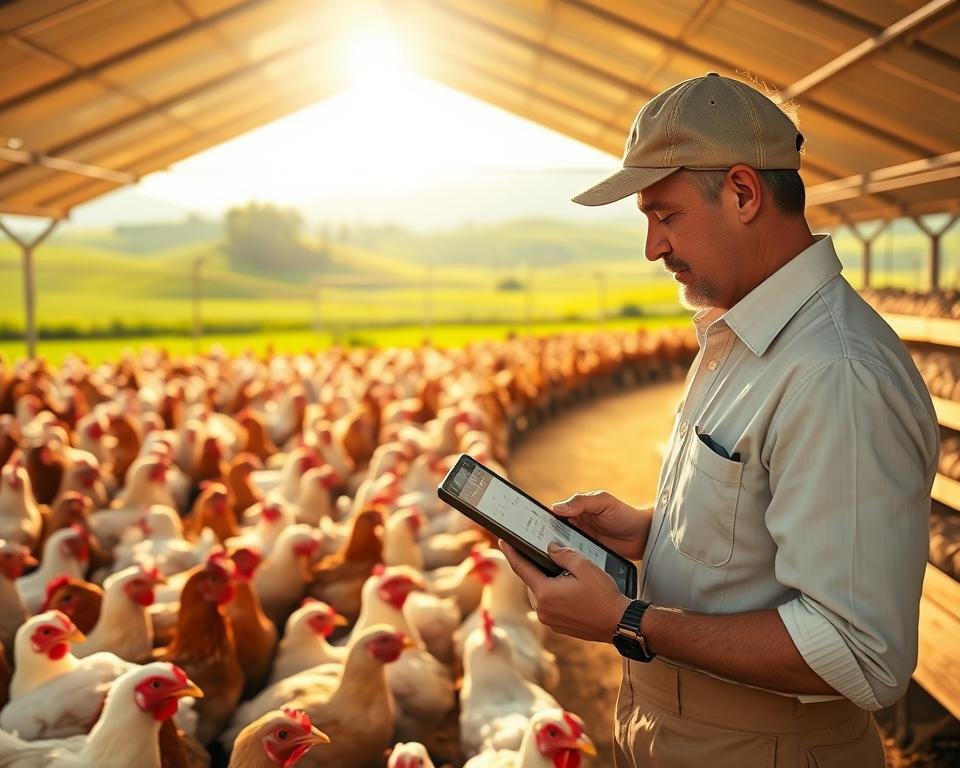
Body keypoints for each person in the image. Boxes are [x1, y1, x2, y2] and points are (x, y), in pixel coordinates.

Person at [498, 72, 939, 768]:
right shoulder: (743, 336)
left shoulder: (836, 374)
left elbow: (857, 653)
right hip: (693, 734)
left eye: (664, 214)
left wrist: (628, 620)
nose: (651, 246)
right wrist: (653, 531)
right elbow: (766, 531)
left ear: (741, 193)